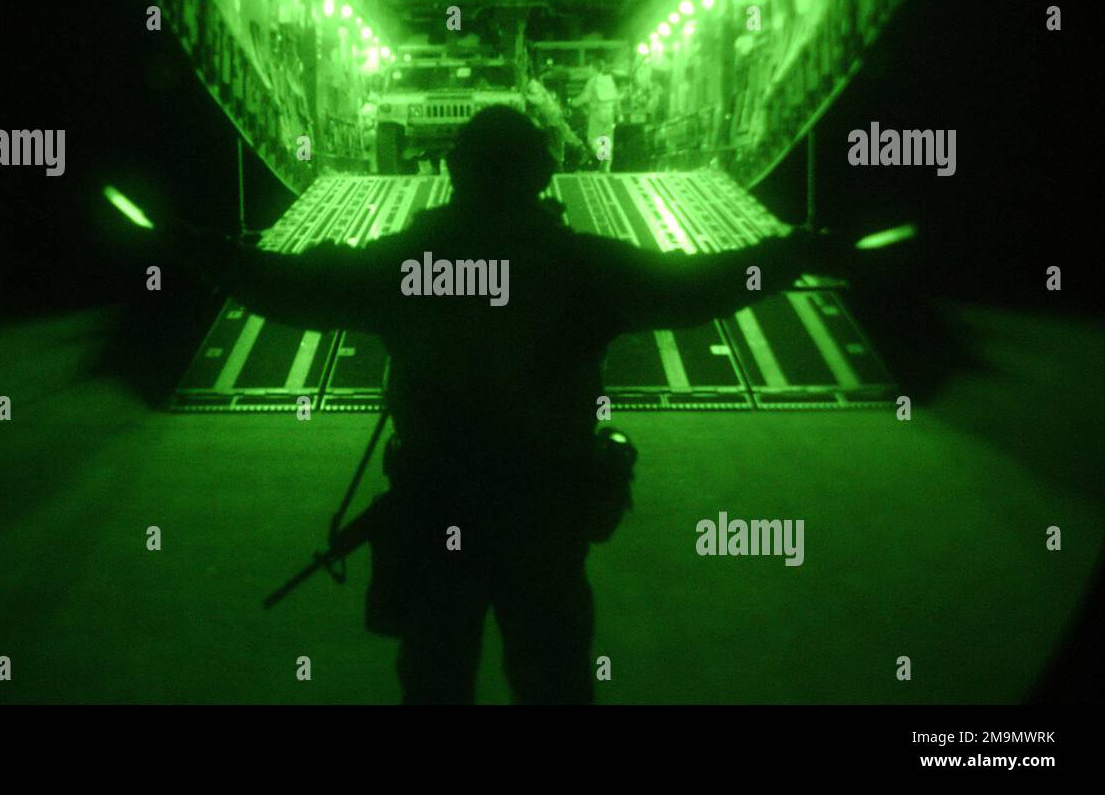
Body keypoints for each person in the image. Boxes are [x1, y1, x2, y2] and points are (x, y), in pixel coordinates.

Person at [167, 106, 848, 703]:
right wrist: (792, 254)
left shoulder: (410, 261)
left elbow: (293, 288)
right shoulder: (580, 266)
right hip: (544, 513)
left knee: (436, 681)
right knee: (553, 680)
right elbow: (699, 288)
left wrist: (207, 254)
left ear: (457, 171)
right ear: (541, 177)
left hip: (437, 508)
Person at [571, 56, 620, 171]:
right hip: (610, 113)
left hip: (597, 113)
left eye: (589, 68)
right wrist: (618, 113)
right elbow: (616, 98)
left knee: (592, 138)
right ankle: (606, 167)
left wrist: (573, 103)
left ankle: (602, 154)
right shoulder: (609, 80)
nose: (588, 70)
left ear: (593, 68)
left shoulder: (593, 81)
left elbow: (585, 97)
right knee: (607, 139)